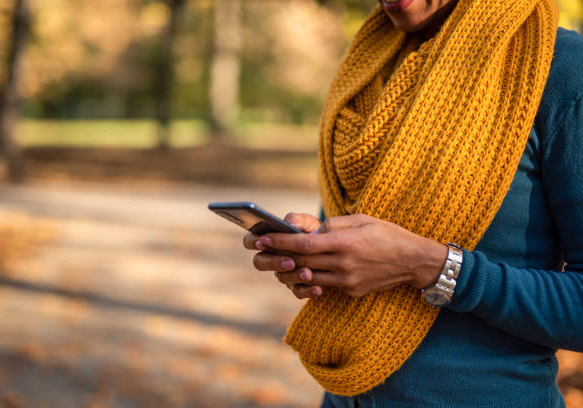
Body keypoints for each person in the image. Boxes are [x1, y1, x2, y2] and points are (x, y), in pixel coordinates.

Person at [243, 0, 583, 406]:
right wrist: (314, 255)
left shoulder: (560, 69)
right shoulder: (365, 72)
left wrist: (430, 266)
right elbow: (349, 237)